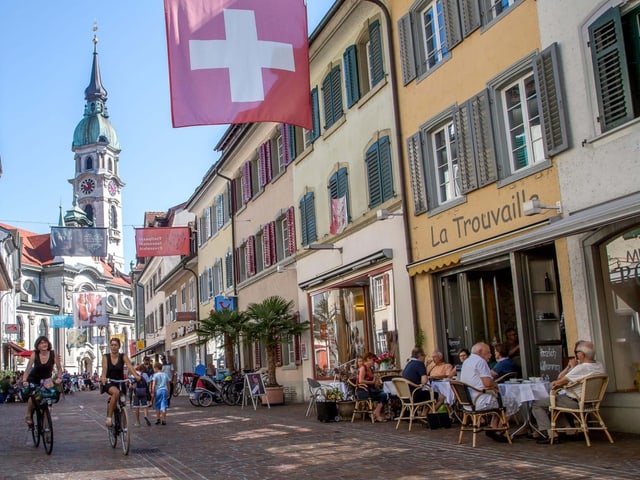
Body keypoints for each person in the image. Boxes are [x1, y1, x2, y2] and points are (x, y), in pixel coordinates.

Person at [531, 340, 605, 444]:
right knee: (555, 402)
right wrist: (570, 367)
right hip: (591, 402)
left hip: (575, 401)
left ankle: (550, 434)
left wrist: (570, 367)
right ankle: (568, 429)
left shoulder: (581, 368)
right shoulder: (599, 365)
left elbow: (557, 382)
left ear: (581, 354)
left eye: (576, 352)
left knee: (537, 404)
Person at [460, 342, 507, 443]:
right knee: (510, 401)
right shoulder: (480, 362)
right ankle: (497, 430)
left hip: (467, 402)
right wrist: (495, 385)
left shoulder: (466, 361)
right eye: (488, 352)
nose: (490, 355)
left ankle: (493, 426)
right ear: (480, 352)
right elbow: (488, 383)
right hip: (480, 401)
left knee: (501, 400)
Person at [21, 335, 63, 427]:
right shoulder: (34, 354)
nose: (44, 344)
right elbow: (27, 369)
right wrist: (24, 380)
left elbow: (59, 369)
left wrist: (59, 377)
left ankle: (46, 425)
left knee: (48, 400)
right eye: (42, 343)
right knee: (33, 396)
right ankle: (28, 415)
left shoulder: (53, 354)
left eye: (46, 342)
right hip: (34, 379)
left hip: (47, 380)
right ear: (38, 346)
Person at [100, 337, 140, 427]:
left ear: (119, 347)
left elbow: (130, 366)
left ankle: (124, 427)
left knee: (123, 404)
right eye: (112, 345)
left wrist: (136, 376)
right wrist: (103, 377)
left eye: (116, 345)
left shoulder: (123, 356)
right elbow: (105, 367)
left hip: (121, 382)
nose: (114, 347)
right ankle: (109, 418)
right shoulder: (105, 357)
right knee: (116, 392)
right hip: (109, 382)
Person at [357, 352, 389, 423]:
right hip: (364, 391)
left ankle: (375, 413)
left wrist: (376, 383)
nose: (373, 362)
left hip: (371, 389)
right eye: (373, 360)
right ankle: (376, 414)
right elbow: (360, 380)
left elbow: (373, 382)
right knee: (384, 395)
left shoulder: (370, 369)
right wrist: (372, 382)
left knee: (386, 394)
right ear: (368, 359)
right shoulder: (363, 368)